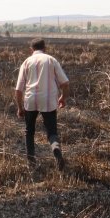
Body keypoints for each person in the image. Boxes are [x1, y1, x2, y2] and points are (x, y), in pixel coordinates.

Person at [15, 38, 69, 169]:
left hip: (30, 99)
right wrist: (63, 97)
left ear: (31, 49)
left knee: (29, 131)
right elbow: (65, 83)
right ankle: (55, 148)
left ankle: (31, 160)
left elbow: (18, 89)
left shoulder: (26, 62)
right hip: (49, 100)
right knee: (52, 131)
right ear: (45, 48)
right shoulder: (51, 60)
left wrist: (19, 107)